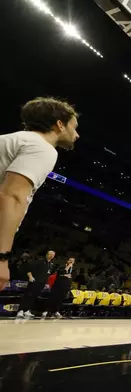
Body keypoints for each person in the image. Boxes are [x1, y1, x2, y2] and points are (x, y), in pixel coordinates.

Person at [0, 97, 80, 288]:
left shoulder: (14, 139)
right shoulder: (42, 147)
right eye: (74, 127)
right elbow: (12, 197)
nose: (77, 135)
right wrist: (2, 257)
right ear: (60, 125)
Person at [16, 250, 56, 319]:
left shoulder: (51, 265)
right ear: (47, 254)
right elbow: (28, 267)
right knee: (28, 295)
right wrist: (30, 276)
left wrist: (46, 283)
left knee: (34, 297)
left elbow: (47, 274)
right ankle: (20, 311)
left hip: (41, 283)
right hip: (34, 281)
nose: (51, 256)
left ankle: (27, 310)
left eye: (53, 255)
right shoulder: (39, 261)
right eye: (50, 254)